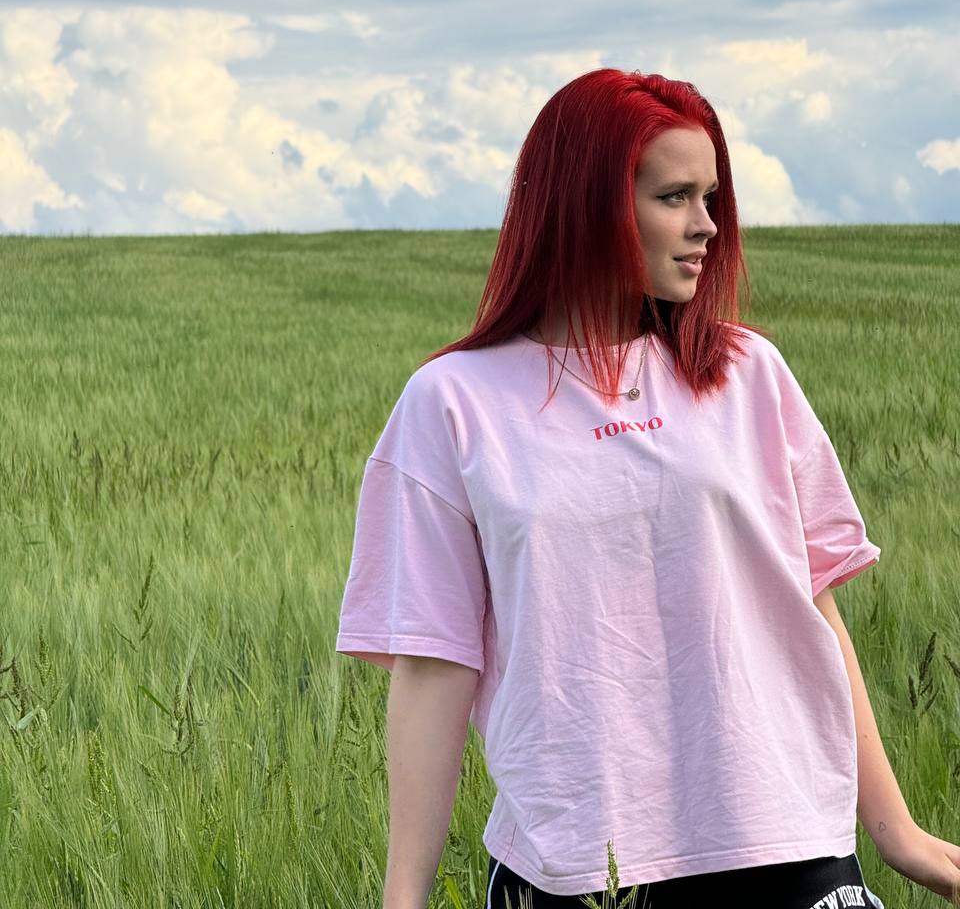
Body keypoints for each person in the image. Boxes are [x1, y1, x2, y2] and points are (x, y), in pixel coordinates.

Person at [335, 69, 888, 908]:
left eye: (711, 198)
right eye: (674, 197)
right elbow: (433, 662)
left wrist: (894, 830)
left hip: (788, 844)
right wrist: (403, 897)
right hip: (571, 867)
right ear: (588, 206)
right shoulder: (452, 403)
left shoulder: (749, 375)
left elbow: (812, 610)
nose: (707, 225)